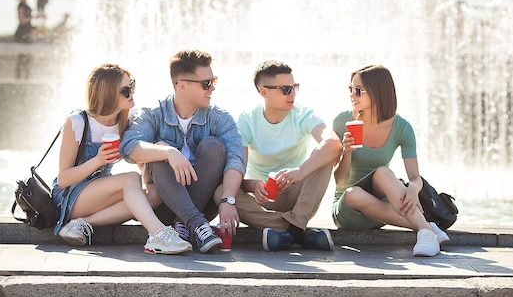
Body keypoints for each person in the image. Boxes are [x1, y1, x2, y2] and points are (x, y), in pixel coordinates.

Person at [52, 63, 192, 255]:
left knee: (154, 194)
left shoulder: (127, 118)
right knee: (130, 179)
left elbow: (138, 154)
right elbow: (63, 179)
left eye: (132, 86)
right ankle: (158, 234)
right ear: (108, 93)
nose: (132, 92)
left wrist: (164, 152)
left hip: (102, 193)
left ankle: (83, 224)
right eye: (126, 90)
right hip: (70, 197)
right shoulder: (77, 122)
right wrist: (98, 161)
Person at [121, 49, 246, 253]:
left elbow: (236, 158)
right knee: (158, 151)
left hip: (204, 204)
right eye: (206, 83)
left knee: (214, 146)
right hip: (164, 206)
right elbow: (130, 147)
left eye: (213, 80)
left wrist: (228, 199)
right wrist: (169, 152)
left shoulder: (219, 118)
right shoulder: (154, 114)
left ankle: (187, 222)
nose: (212, 88)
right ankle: (196, 224)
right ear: (182, 85)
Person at [218, 60, 342, 251]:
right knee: (221, 192)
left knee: (324, 153)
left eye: (294, 87)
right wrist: (253, 185)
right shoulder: (247, 120)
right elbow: (236, 166)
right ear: (263, 92)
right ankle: (297, 231)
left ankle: (291, 230)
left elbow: (334, 143)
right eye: (285, 89)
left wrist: (299, 171)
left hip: (299, 198)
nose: (292, 94)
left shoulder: (303, 114)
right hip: (263, 199)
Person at [331, 64, 449, 257]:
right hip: (348, 209)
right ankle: (426, 226)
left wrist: (413, 188)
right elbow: (340, 181)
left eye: (358, 91)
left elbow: (415, 177)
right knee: (353, 193)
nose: (352, 95)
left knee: (383, 173)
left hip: (382, 207)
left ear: (377, 92)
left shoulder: (402, 128)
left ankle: (426, 233)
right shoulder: (342, 122)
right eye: (351, 89)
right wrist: (347, 152)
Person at [12, 0, 34, 79]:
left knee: (28, 56)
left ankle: (26, 77)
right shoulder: (20, 5)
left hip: (27, 32)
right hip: (22, 33)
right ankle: (19, 78)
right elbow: (22, 20)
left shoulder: (26, 4)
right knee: (22, 56)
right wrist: (33, 17)